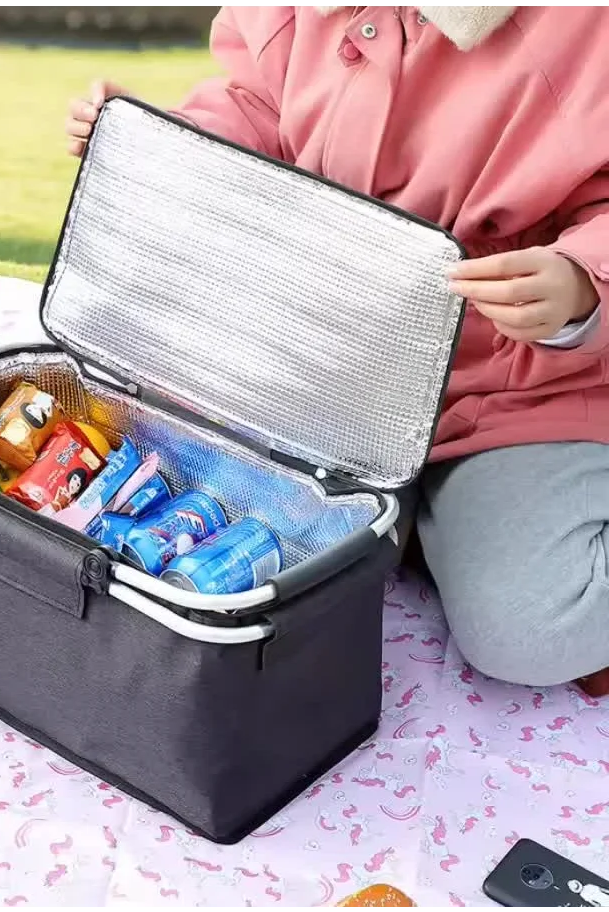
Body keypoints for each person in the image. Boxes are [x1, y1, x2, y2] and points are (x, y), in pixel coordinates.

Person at [64, 6, 609, 696]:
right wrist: (166, 142)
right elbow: (258, 106)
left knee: (529, 628)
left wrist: (582, 280)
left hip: (511, 388)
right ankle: (413, 521)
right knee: (156, 482)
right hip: (322, 362)